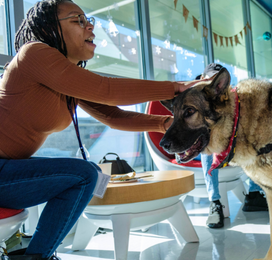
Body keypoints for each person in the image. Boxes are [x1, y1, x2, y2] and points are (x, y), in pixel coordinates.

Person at [0, 1, 200, 259]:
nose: (90, 26)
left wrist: (163, 124)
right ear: (50, 28)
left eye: (88, 20)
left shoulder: (64, 75)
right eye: (78, 20)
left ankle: (37, 254)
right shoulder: (34, 53)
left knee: (89, 173)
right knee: (84, 175)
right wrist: (177, 87)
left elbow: (111, 115)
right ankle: (38, 256)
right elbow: (105, 89)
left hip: (8, 171)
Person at [196, 63, 268, 229]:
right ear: (202, 79)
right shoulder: (195, 99)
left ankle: (254, 194)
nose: (216, 86)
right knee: (206, 145)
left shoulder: (228, 96)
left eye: (218, 82)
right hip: (210, 147)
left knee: (254, 136)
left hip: (231, 145)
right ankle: (215, 203)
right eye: (211, 80)